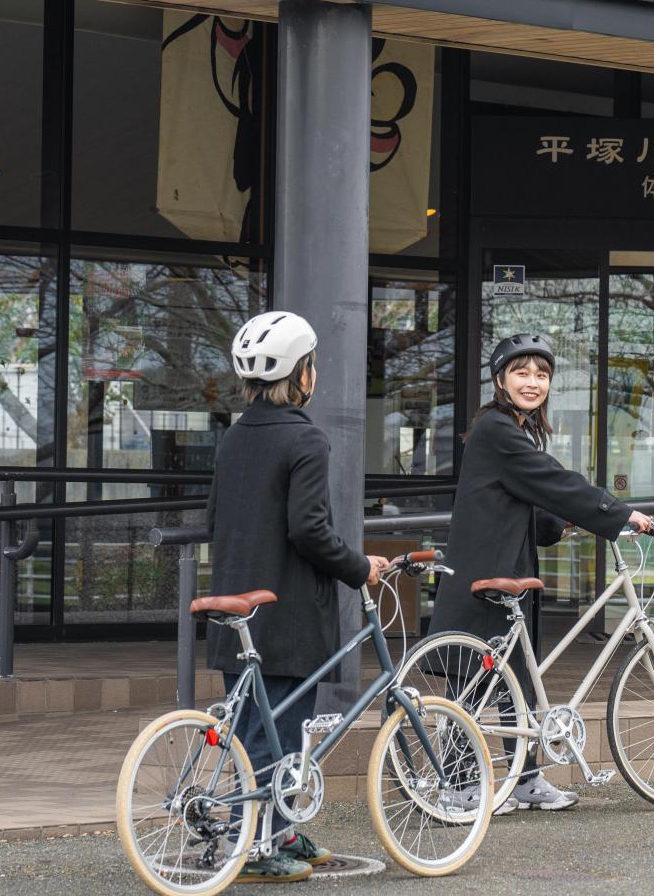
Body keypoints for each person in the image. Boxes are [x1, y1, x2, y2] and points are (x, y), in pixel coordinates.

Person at [430, 332, 654, 813]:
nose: (533, 382)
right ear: (499, 379)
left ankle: (525, 777)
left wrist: (565, 523)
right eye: (521, 372)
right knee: (472, 678)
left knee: (518, 676)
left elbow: (528, 497)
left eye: (542, 374)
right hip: (484, 570)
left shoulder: (519, 427)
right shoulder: (496, 428)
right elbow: (552, 479)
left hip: (510, 565)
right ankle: (457, 785)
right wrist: (617, 513)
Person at [206, 311, 390, 883]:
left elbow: (217, 516)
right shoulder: (305, 437)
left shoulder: (235, 436)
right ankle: (259, 847)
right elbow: (309, 529)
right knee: (279, 730)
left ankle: (279, 829)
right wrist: (360, 567)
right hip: (283, 610)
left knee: (254, 728)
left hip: (234, 603)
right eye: (313, 364)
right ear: (302, 372)